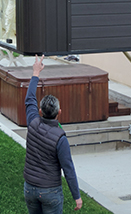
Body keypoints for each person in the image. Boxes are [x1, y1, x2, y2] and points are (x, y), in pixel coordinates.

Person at [23, 55, 83, 213]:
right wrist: (77, 196)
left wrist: (36, 72)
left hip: (29, 189)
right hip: (50, 191)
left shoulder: (33, 123)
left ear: (40, 111)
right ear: (59, 112)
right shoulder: (60, 138)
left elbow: (29, 98)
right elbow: (68, 168)